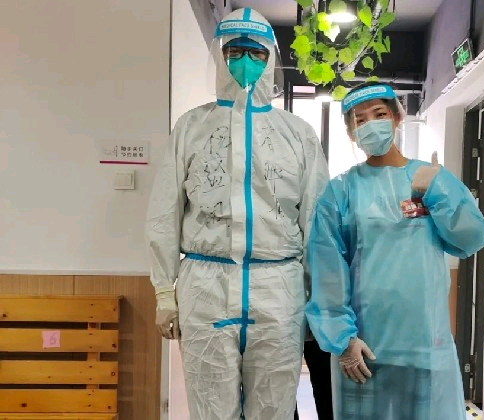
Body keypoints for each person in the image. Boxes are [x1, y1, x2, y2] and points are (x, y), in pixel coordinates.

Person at [145, 8, 329, 420]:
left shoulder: (297, 134)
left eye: (256, 53)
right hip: (205, 286)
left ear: (270, 58)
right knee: (211, 407)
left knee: (274, 407)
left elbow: (317, 219)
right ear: (220, 55)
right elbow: (165, 211)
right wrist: (163, 291)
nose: (246, 61)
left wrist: (318, 294)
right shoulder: (192, 127)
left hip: (278, 287)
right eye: (235, 51)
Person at [305, 83, 484, 420]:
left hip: (425, 346)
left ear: (396, 118)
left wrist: (437, 193)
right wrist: (343, 340)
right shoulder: (340, 192)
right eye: (360, 120)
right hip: (365, 348)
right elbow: (327, 269)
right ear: (351, 133)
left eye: (379, 114)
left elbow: (471, 238)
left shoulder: (430, 179)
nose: (370, 124)